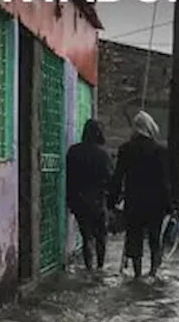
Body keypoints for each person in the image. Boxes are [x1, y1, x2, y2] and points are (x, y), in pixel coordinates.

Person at [109, 111, 173, 279]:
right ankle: (153, 272)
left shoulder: (125, 149)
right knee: (154, 238)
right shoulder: (160, 151)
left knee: (134, 238)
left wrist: (112, 202)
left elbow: (118, 177)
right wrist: (169, 205)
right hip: (155, 204)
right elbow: (164, 181)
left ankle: (136, 275)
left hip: (134, 202)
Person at [65, 118, 112, 271]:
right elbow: (109, 178)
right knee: (101, 237)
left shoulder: (73, 151)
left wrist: (70, 200)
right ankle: (100, 266)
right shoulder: (103, 154)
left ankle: (88, 267)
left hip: (79, 200)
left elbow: (69, 178)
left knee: (86, 236)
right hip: (98, 201)